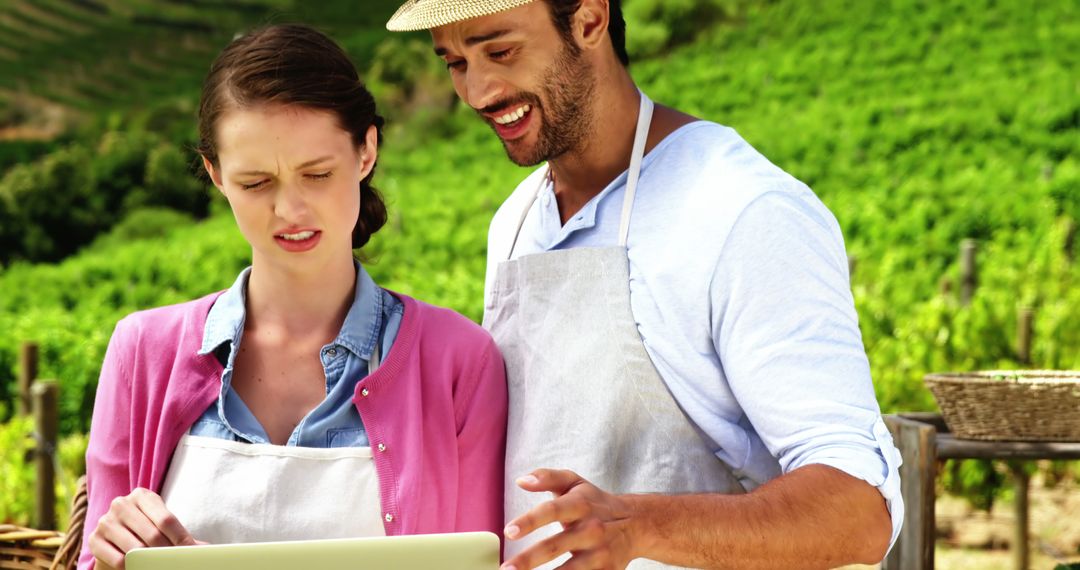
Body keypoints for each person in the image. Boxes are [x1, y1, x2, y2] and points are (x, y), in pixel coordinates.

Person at [386, 1, 903, 568]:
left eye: (501, 51)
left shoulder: (744, 208)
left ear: (588, 19)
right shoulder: (515, 221)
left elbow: (859, 508)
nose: (479, 91)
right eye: (455, 63)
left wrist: (641, 527)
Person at [78, 24, 507, 570]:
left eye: (317, 173)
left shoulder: (459, 364)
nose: (290, 211)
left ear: (366, 151)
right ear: (215, 175)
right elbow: (94, 558)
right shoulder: (143, 352)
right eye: (256, 183)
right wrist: (108, 557)